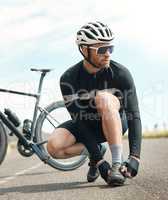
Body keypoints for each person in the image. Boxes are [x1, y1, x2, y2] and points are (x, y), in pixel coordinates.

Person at [47, 21, 142, 186]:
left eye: (110, 48)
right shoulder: (68, 79)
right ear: (84, 50)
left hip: (115, 122)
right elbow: (79, 122)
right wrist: (98, 160)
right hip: (86, 123)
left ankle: (116, 165)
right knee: (54, 147)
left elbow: (134, 115)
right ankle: (98, 151)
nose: (108, 54)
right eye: (102, 49)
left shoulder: (121, 74)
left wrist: (135, 157)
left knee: (103, 98)